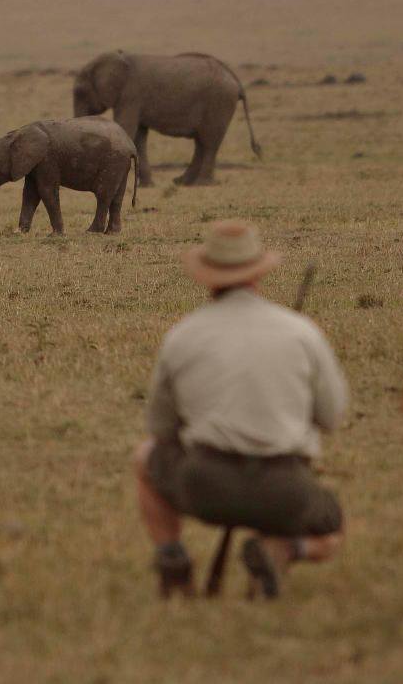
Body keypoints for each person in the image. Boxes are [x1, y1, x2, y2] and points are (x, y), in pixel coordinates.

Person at [136, 221, 349, 599]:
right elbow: (331, 417)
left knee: (144, 458)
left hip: (205, 483)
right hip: (285, 488)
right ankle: (285, 549)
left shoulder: (183, 335)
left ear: (208, 278)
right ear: (259, 274)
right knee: (332, 529)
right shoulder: (301, 331)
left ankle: (172, 560)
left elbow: (161, 428)